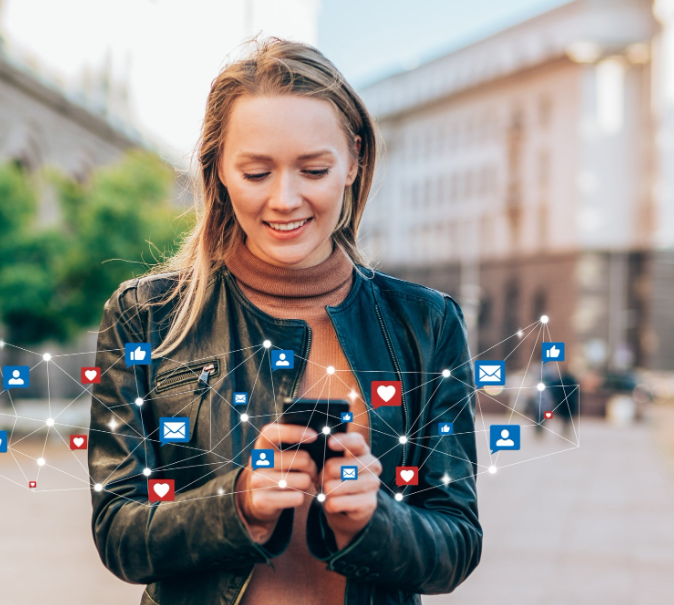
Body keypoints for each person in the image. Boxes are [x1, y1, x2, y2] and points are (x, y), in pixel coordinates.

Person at [88, 38, 482, 605]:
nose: (285, 199)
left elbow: (457, 543)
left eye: (313, 169)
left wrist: (373, 522)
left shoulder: (427, 323)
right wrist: (238, 502)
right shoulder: (145, 317)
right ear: (218, 168)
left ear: (354, 160)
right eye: (256, 173)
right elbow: (119, 532)